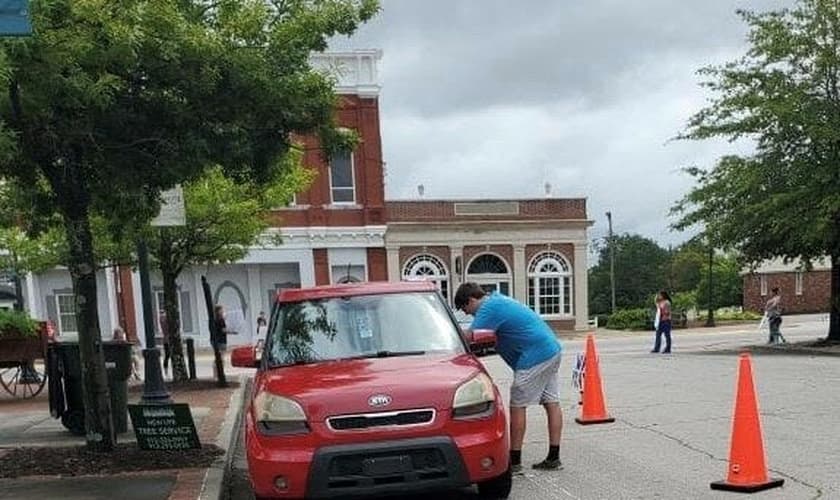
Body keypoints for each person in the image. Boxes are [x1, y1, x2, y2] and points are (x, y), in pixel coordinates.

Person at [454, 282, 564, 473]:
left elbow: (470, 336)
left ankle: (514, 462)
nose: (469, 314)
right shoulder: (498, 300)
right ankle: (554, 458)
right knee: (551, 402)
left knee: (517, 406)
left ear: (471, 300)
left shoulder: (488, 307)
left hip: (534, 357)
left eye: (466, 309)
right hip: (551, 349)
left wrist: (447, 335)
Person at [158, 311, 171, 375]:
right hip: (167, 339)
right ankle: (166, 369)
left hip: (167, 339)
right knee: (167, 354)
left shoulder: (162, 319)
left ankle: (166, 369)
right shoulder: (163, 319)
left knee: (168, 355)